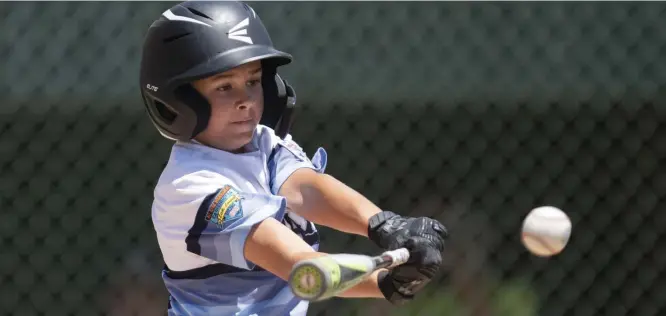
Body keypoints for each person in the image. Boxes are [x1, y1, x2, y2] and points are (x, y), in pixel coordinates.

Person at [139, 1, 449, 315]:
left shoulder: (264, 143)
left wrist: (386, 226)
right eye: (224, 87)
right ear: (177, 100)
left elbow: (308, 189)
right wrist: (383, 280)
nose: (246, 100)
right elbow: (302, 268)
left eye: (252, 81)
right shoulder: (188, 187)